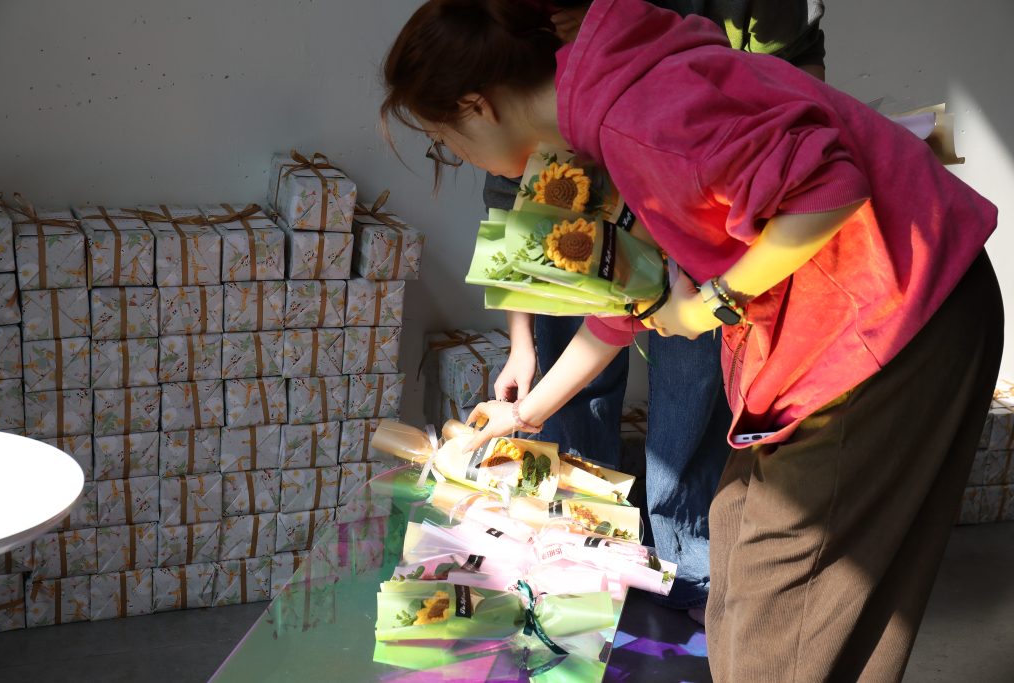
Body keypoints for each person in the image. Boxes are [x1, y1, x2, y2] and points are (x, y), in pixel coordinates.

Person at [381, 0, 1003, 679]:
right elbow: (623, 310)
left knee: (779, 614)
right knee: (737, 544)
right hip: (846, 326)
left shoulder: (638, 115)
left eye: (448, 141)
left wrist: (712, 305)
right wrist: (523, 414)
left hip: (897, 314)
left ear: (478, 105)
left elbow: (829, 187)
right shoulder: (604, 104)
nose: (460, 157)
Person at [486, 0, 828, 619]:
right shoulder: (607, 143)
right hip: (706, 245)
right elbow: (611, 318)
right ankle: (580, 560)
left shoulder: (645, 129)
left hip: (853, 308)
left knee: (698, 399)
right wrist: (526, 384)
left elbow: (828, 182)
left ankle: (690, 570)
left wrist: (712, 303)